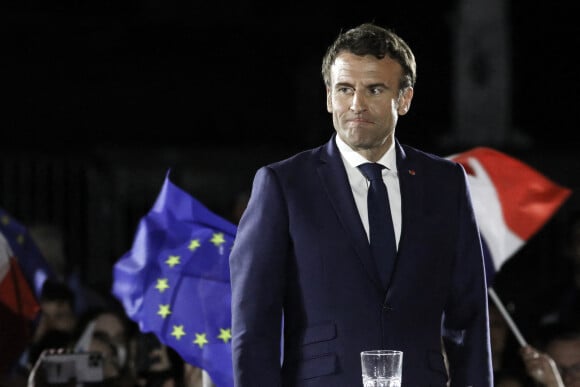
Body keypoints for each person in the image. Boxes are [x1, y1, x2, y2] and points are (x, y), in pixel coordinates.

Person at [229, 22, 493, 386]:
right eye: (344, 89)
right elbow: (254, 325)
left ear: (404, 98)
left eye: (374, 89)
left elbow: (469, 318)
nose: (356, 104)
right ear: (327, 97)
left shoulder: (445, 183)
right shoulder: (284, 185)